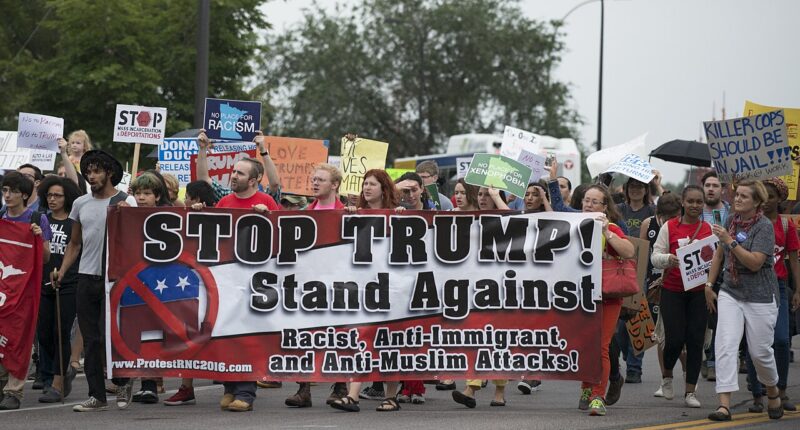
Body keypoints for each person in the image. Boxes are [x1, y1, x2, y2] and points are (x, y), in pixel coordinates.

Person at [54, 150, 137, 412]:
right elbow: (74, 243)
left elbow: (138, 240)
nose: (91, 176)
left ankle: (122, 382)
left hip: (116, 278)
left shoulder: (127, 201)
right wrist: (62, 271)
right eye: (88, 172)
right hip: (86, 276)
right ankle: (96, 395)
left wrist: (129, 216)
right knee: (91, 339)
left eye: (97, 171)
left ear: (109, 173)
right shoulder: (81, 203)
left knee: (111, 335)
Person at [705, 180, 783, 421]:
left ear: (757, 202)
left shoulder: (764, 226)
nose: (737, 199)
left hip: (760, 296)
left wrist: (730, 240)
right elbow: (719, 255)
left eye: (744, 196)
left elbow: (755, 263)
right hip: (731, 291)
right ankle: (724, 405)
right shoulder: (731, 220)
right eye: (736, 195)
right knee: (725, 345)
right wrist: (709, 285)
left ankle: (772, 391)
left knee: (760, 353)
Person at [331, 170, 404, 413]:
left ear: (384, 188)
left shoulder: (398, 213)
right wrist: (350, 216)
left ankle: (391, 397)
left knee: (390, 342)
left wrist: (404, 217)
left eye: (372, 184)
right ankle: (352, 396)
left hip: (392, 287)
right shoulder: (356, 214)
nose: (366, 188)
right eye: (365, 184)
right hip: (363, 286)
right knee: (361, 339)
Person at [214, 156, 279, 412]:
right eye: (233, 171)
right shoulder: (224, 202)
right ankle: (229, 388)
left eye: (239, 173)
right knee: (225, 334)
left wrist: (268, 217)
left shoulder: (266, 201)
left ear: (253, 180)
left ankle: (245, 393)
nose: (233, 176)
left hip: (255, 280)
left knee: (247, 337)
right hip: (227, 278)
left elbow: (282, 236)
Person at [284, 164, 348, 408]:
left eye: (321, 180)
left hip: (339, 282)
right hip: (308, 282)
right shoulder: (303, 213)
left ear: (334, 185)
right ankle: (303, 389)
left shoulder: (347, 213)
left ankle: (340, 387)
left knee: (339, 336)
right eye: (313, 179)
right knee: (304, 335)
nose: (315, 183)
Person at [650, 185, 712, 408]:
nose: (695, 205)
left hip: (698, 293)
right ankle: (667, 375)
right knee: (674, 340)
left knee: (695, 341)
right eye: (691, 201)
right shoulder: (669, 227)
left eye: (699, 202)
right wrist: (669, 259)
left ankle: (690, 391)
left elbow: (717, 258)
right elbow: (654, 257)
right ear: (683, 203)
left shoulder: (709, 229)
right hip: (673, 290)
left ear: (703, 204)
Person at [577, 184, 635, 417]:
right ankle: (586, 386)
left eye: (595, 202)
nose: (589, 205)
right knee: (584, 345)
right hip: (580, 295)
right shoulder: (573, 224)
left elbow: (629, 251)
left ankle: (597, 396)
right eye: (586, 200)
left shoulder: (610, 227)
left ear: (604, 207)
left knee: (601, 345)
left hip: (607, 296)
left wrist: (606, 233)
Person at [744, 178, 799, 413]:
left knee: (782, 340)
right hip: (754, 287)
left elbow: (794, 260)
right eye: (762, 196)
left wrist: (798, 290)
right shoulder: (750, 223)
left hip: (779, 286)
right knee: (755, 341)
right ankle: (758, 394)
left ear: (780, 199)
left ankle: (782, 390)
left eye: (771, 197)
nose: (766, 201)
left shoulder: (786, 226)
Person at [0, 172, 52, 410]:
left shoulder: (37, 218)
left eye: (12, 191)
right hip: (3, 290)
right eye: (4, 190)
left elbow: (46, 258)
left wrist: (39, 238)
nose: (7, 195)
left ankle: (14, 391)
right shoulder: (1, 216)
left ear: (24, 195)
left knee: (20, 337)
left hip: (25, 290)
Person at [35, 176, 82, 403]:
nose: (52, 199)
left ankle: (57, 382)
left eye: (58, 195)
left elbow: (76, 247)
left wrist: (63, 272)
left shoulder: (74, 222)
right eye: (49, 195)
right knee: (43, 334)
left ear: (67, 198)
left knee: (60, 332)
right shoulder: (40, 219)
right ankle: (50, 374)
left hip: (68, 283)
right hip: (42, 283)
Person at [637, 193, 684, 400]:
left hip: (678, 282)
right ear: (659, 213)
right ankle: (666, 379)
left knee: (679, 336)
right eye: (667, 216)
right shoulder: (649, 224)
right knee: (660, 334)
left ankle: (687, 375)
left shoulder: (683, 224)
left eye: (675, 216)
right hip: (654, 284)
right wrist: (638, 286)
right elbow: (641, 254)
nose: (671, 220)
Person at [700, 171, 729, 382]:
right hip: (698, 272)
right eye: (707, 185)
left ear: (723, 189)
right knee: (701, 321)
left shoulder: (731, 212)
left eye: (715, 185)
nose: (711, 189)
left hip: (724, 272)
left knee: (718, 319)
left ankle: (712, 362)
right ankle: (704, 354)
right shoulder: (694, 210)